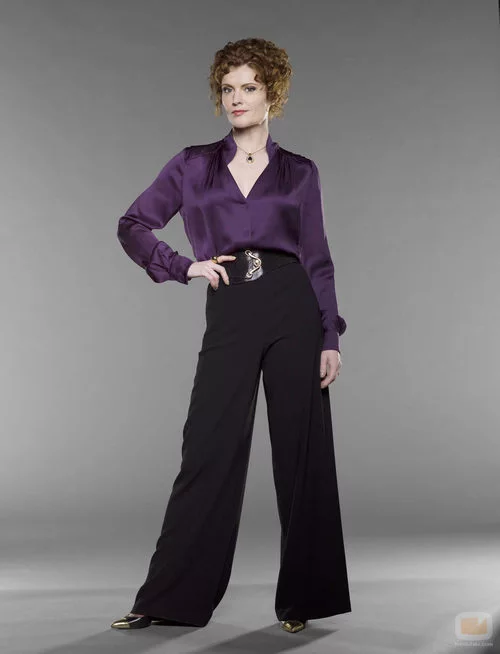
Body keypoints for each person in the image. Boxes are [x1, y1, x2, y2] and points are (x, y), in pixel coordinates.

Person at [111, 37, 350, 634]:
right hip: (232, 305)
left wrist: (330, 334)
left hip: (293, 305)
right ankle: (168, 598)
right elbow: (133, 224)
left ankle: (304, 601)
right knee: (207, 448)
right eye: (227, 88)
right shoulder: (193, 164)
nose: (237, 98)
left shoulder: (300, 172)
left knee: (302, 452)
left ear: (273, 95)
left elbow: (318, 259)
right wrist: (183, 266)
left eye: (249, 87)